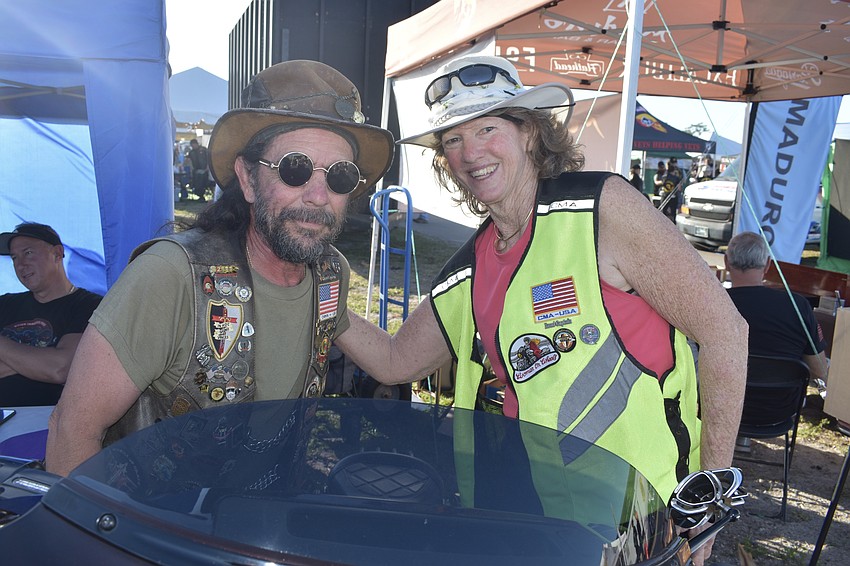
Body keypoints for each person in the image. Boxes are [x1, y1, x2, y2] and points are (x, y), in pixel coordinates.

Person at [336, 54, 747, 542]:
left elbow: (726, 332)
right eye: (453, 140)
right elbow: (393, 361)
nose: (470, 153)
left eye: (487, 129)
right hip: (549, 519)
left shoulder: (601, 210)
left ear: (529, 132)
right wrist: (323, 295)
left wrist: (709, 501)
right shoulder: (473, 267)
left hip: (648, 516)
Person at [45, 60, 394, 475]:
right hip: (158, 510)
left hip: (273, 498)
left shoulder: (329, 274)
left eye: (340, 176)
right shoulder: (171, 275)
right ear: (247, 178)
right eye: (295, 168)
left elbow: (393, 360)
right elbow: (73, 429)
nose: (318, 196)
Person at [0, 223, 102, 406]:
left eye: (28, 253)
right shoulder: (4, 304)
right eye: (14, 257)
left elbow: (60, 368)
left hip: (53, 417)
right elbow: (53, 366)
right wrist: (40, 361)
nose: (20, 265)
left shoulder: (90, 305)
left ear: (57, 253)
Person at [725, 231, 828, 379]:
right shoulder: (798, 306)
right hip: (786, 393)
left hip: (724, 392)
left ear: (726, 262)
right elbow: (820, 372)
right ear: (768, 264)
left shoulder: (712, 305)